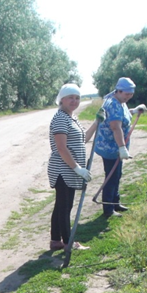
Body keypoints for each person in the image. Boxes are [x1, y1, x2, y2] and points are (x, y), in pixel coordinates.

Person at [47, 83, 100, 252]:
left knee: (61, 206)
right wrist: (77, 168)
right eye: (70, 97)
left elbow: (83, 139)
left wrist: (97, 122)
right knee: (65, 207)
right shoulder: (60, 118)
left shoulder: (71, 118)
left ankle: (56, 241)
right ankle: (68, 242)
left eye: (77, 98)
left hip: (69, 169)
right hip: (63, 169)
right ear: (61, 99)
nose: (74, 101)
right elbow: (61, 148)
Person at [94, 77, 147, 217]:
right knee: (111, 177)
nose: (129, 96)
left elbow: (122, 115)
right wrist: (122, 148)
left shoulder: (120, 101)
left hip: (116, 147)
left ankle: (115, 203)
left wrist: (134, 111)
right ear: (118, 91)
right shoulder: (112, 103)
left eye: (131, 94)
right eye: (126, 94)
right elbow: (116, 127)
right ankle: (108, 209)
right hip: (111, 147)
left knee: (117, 175)